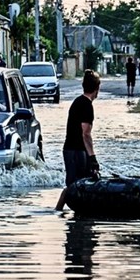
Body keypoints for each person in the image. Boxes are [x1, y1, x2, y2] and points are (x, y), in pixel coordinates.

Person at [55, 69, 101, 211]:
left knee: (77, 183)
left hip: (71, 149)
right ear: (97, 88)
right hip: (76, 151)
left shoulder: (77, 101)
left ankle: (62, 211)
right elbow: (86, 134)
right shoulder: (87, 105)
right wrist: (93, 157)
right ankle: (58, 210)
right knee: (74, 185)